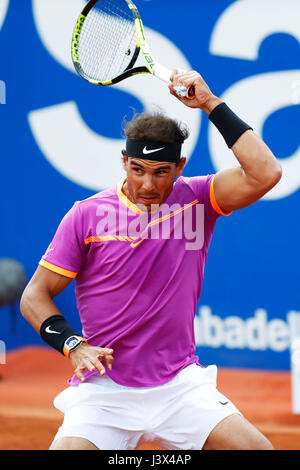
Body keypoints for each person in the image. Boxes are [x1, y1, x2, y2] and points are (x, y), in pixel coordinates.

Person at [20, 70, 281, 451]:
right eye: (138, 169)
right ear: (124, 161)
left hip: (180, 388)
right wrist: (74, 345)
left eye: (161, 173)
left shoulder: (199, 199)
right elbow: (34, 295)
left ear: (179, 166)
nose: (147, 184)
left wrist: (209, 103)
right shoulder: (86, 215)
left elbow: (266, 172)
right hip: (104, 391)